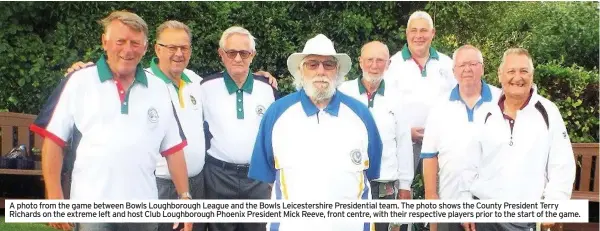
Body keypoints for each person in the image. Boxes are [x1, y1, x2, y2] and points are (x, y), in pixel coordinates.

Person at [29, 11, 192, 231]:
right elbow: (54, 141)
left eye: (135, 43)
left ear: (144, 48)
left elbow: (173, 149)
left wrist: (184, 196)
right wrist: (55, 195)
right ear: (105, 42)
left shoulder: (159, 89)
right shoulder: (80, 81)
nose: (127, 50)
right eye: (120, 41)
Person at [248, 34, 383, 231]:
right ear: (300, 71)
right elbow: (268, 175)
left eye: (328, 64)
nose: (321, 71)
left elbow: (370, 171)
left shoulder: (361, 115)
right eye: (312, 64)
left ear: (337, 71)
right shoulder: (277, 114)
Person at [461, 48, 576, 231]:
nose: (518, 77)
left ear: (532, 75)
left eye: (524, 71)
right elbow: (468, 164)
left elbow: (562, 165)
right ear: (500, 75)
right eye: (511, 71)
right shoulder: (484, 112)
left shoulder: (548, 112)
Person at [200, 26, 278, 231]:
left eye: (244, 53)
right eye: (231, 52)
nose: (237, 58)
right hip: (218, 175)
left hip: (258, 177)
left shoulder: (267, 88)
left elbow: (276, 134)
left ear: (252, 55)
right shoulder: (204, 87)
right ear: (221, 54)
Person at [420, 45, 501, 231]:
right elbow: (429, 155)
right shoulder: (439, 106)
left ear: (482, 67)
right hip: (449, 201)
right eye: (462, 65)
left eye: (473, 63)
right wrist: (431, 196)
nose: (467, 69)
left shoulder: (501, 101)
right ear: (454, 71)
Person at [338, 41, 413, 231]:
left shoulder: (398, 98)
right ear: (360, 62)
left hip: (385, 185)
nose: (374, 65)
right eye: (369, 59)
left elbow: (404, 143)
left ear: (388, 64)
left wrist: (405, 186)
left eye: (380, 60)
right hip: (349, 182)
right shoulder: (342, 93)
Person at [384, 11, 456, 176]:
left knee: (441, 194)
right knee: (401, 191)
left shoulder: (448, 64)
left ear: (433, 33)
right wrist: (405, 131)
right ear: (407, 33)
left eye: (423, 30)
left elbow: (457, 100)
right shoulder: (392, 65)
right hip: (404, 141)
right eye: (414, 30)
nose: (418, 36)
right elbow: (385, 107)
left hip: (440, 142)